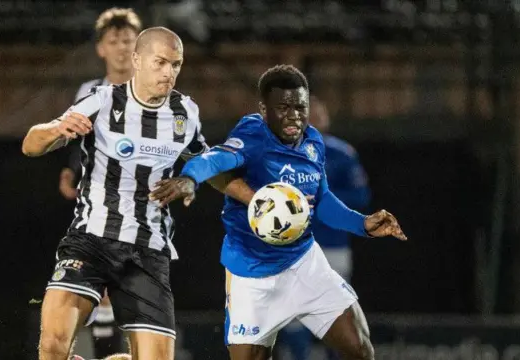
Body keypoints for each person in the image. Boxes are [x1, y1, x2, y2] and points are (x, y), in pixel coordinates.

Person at [150, 64, 407, 360]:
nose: (294, 116)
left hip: (303, 263)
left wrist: (362, 223)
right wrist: (189, 178)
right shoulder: (253, 134)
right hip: (253, 273)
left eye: (300, 107)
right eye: (283, 108)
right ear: (264, 109)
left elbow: (320, 199)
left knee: (360, 348)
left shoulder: (313, 142)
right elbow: (214, 159)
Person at [23, 27, 207, 360]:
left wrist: (191, 180)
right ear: (137, 60)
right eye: (161, 62)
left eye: (176, 64)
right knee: (52, 347)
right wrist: (55, 130)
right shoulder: (102, 100)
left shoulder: (185, 113)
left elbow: (204, 160)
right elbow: (30, 145)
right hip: (91, 240)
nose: (169, 72)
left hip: (148, 251)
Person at [57, 8, 142, 359]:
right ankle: (105, 353)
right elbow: (80, 136)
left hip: (141, 203)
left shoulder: (153, 90)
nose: (122, 47)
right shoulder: (90, 90)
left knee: (134, 291)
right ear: (101, 49)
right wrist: (70, 170)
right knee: (98, 282)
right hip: (98, 201)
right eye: (114, 41)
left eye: (128, 40)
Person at [276, 96, 371, 360]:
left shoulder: (341, 153)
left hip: (332, 247)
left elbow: (361, 197)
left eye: (319, 114)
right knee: (293, 316)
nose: (315, 119)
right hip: (294, 248)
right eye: (309, 115)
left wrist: (320, 198)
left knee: (335, 316)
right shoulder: (282, 154)